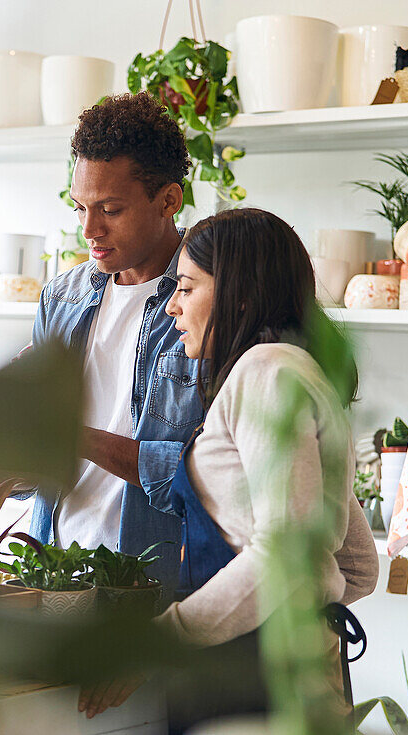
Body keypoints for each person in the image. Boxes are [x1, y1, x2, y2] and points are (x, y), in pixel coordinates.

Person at [78, 209, 380, 728]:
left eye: (188, 288)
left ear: (240, 295)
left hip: (255, 675)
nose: (173, 306)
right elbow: (355, 564)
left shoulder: (265, 373)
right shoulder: (294, 372)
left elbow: (285, 553)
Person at [28, 92, 203, 588]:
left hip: (158, 585)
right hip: (55, 569)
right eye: (80, 207)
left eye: (110, 208)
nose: (89, 229)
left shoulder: (213, 298)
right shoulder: (61, 298)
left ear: (169, 200)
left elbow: (215, 474)